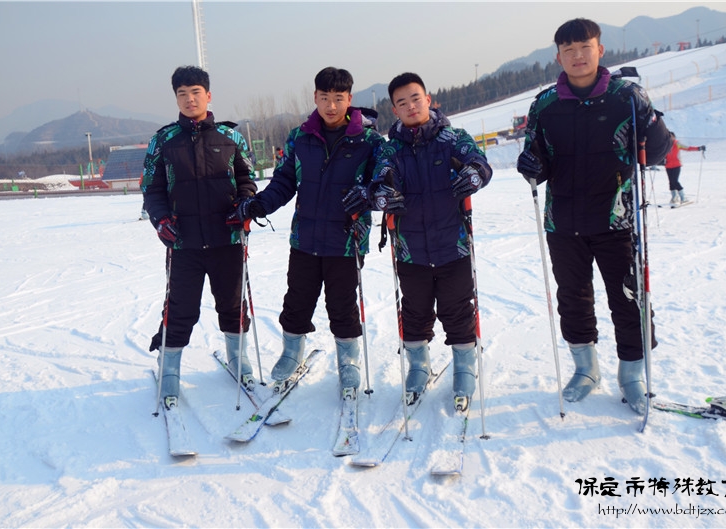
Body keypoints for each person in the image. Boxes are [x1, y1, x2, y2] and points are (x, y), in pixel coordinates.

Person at [517, 18, 673, 414]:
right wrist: (530, 166)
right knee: (573, 299)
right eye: (568, 50)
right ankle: (586, 369)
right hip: (563, 222)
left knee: (630, 298)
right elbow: (539, 161)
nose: (578, 56)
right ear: (558, 57)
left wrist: (651, 118)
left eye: (584, 47)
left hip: (616, 220)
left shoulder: (626, 97)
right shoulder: (545, 105)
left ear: (600, 50)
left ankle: (632, 375)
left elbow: (656, 153)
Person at [230, 67, 384, 401]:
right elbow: (285, 180)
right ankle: (291, 353)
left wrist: (368, 195)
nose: (331, 106)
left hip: (346, 240)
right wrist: (260, 204)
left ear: (349, 99)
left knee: (342, 305)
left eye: (338, 98)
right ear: (315, 97)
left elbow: (382, 183)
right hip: (305, 238)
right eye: (325, 98)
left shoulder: (368, 141)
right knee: (297, 300)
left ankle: (349, 362)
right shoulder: (300, 137)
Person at [359, 72, 492, 412]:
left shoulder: (452, 139)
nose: (410, 106)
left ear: (428, 100)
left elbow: (479, 163)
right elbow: (377, 182)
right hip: (410, 251)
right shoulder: (391, 149)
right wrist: (381, 195)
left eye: (415, 98)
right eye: (402, 102)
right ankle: (418, 367)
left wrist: (475, 174)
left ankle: (464, 368)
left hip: (453, 246)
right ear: (394, 110)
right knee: (415, 312)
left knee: (457, 310)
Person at [141, 66, 257, 410]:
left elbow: (247, 179)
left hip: (228, 240)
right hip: (184, 243)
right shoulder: (163, 141)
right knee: (181, 309)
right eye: (182, 94)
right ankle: (169, 369)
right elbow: (152, 188)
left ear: (208, 95)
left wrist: (245, 205)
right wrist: (161, 220)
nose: (190, 100)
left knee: (232, 305)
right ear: (176, 98)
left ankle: (239, 359)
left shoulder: (230, 137)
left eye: (195, 93)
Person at [664, 132, 705, 204]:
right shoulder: (665, 145)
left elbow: (688, 148)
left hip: (676, 165)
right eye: (669, 137)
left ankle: (683, 197)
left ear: (674, 137)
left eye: (671, 136)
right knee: (671, 182)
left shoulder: (677, 143)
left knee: (675, 181)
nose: (670, 138)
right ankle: (674, 197)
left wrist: (698, 148)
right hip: (668, 166)